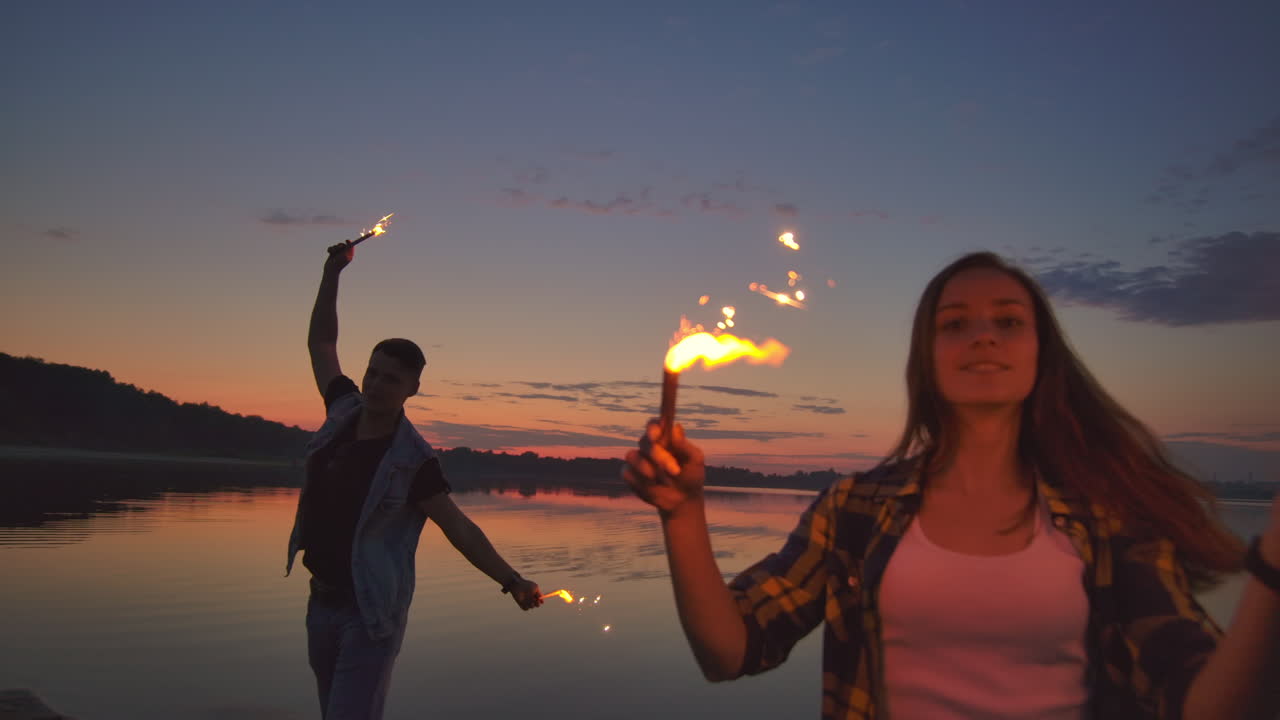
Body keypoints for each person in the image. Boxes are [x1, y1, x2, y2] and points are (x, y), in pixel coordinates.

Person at [622, 251, 1280, 719]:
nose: (984, 337)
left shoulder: (1112, 523)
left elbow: (1204, 702)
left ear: (1040, 354)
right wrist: (683, 515)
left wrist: (1273, 567)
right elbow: (729, 650)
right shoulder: (853, 510)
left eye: (1008, 321)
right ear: (926, 359)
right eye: (955, 323)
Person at [287, 239, 544, 720]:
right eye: (373, 372)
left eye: (391, 379)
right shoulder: (342, 412)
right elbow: (321, 344)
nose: (376, 385)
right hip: (320, 601)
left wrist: (511, 580)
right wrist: (332, 273)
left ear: (412, 390)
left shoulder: (414, 461)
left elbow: (459, 528)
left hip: (371, 614)